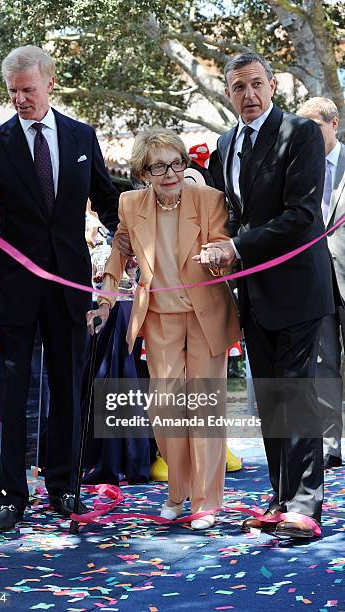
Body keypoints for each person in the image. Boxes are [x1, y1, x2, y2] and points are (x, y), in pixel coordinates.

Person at [0, 45, 119, 532]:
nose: (20, 100)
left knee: (69, 388)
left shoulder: (81, 137)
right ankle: (10, 496)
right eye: (13, 92)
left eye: (28, 90)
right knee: (10, 393)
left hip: (70, 285)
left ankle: (64, 486)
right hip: (12, 287)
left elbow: (111, 207)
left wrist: (133, 252)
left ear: (49, 82)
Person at [199, 52, 335, 539]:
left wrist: (234, 246)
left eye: (257, 84)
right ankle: (280, 497)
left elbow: (302, 215)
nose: (249, 95)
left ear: (273, 85)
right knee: (272, 398)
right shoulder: (225, 142)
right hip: (252, 292)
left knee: (297, 395)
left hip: (299, 287)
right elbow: (226, 210)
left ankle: (305, 506)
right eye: (239, 87)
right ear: (228, 93)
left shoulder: (300, 133)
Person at [87, 127, 241, 529]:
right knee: (166, 409)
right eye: (159, 167)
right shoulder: (129, 204)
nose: (170, 173)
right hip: (158, 316)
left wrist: (219, 255)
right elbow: (119, 254)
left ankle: (207, 502)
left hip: (205, 314)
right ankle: (178, 492)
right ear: (143, 172)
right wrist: (104, 302)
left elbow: (226, 245)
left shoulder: (209, 199)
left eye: (176, 163)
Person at [297, 97, 344, 469]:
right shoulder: (300, 170)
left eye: (314, 128)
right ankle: (331, 444)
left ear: (334, 125)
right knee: (324, 363)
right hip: (316, 281)